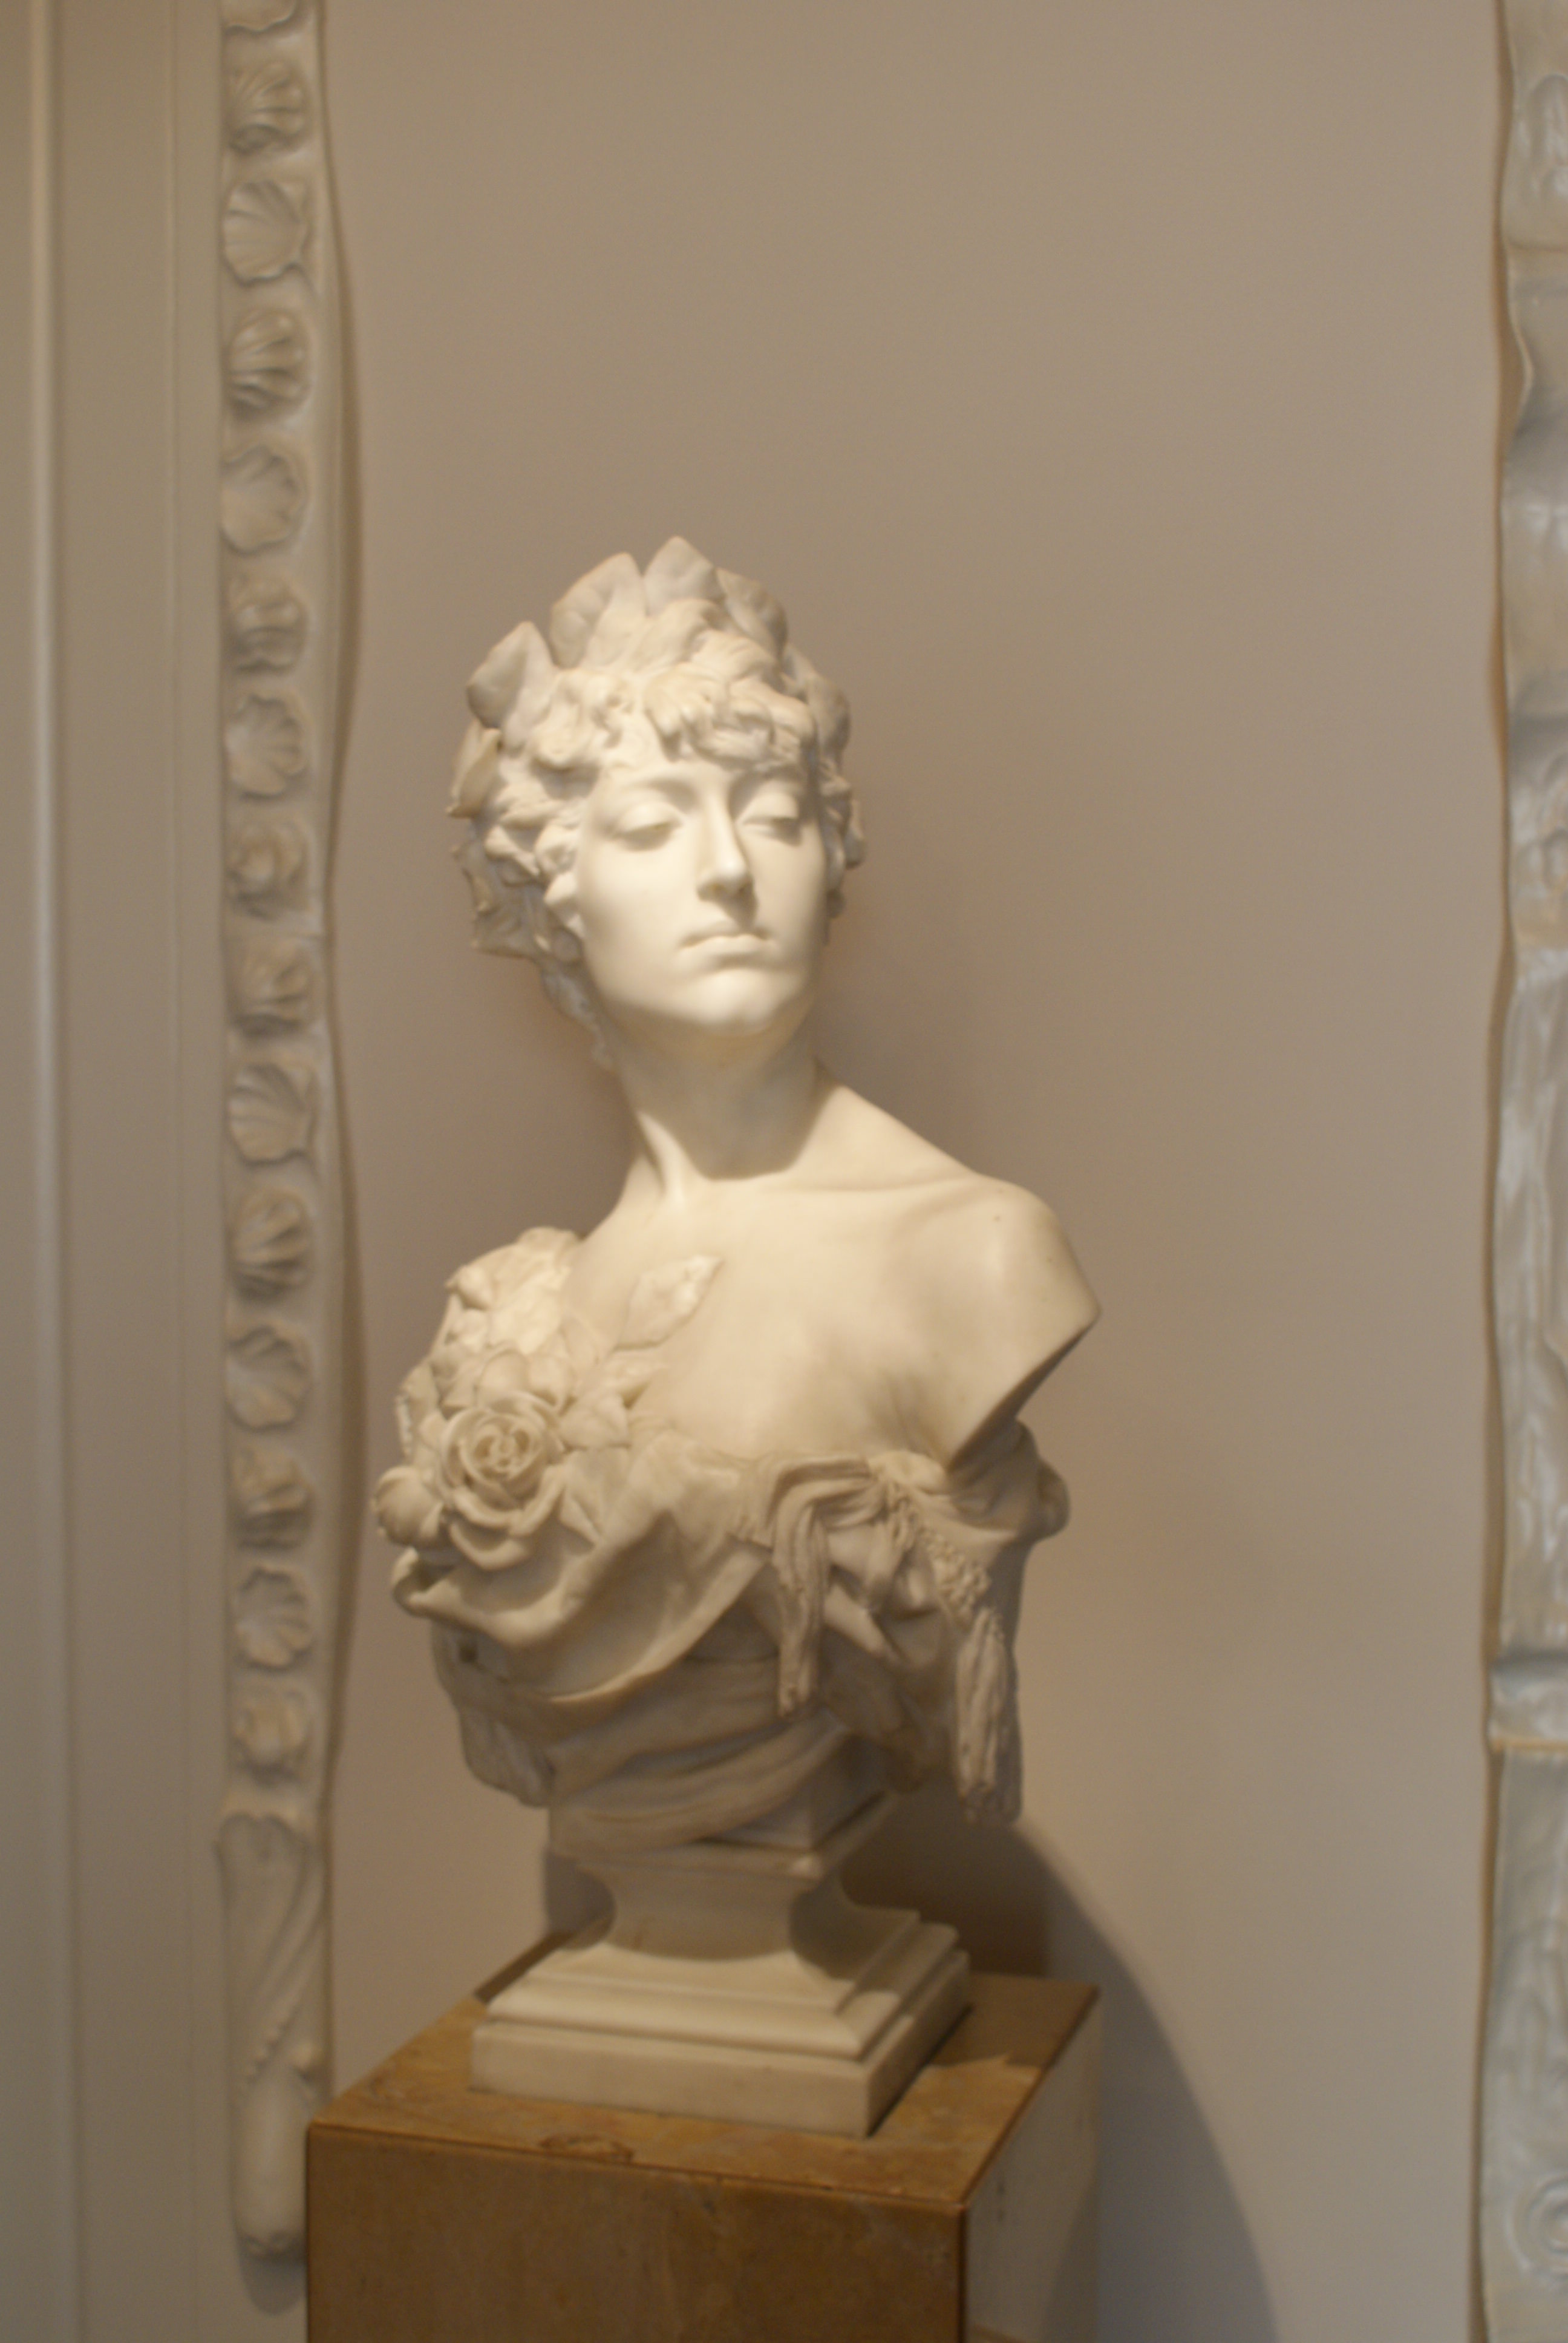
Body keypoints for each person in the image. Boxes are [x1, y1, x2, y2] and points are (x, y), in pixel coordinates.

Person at [374, 539, 1097, 1859]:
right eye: (653, 826)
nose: (727, 870)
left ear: (831, 860)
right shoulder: (518, 1308)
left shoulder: (974, 1258)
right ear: (555, 898)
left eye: (773, 815)